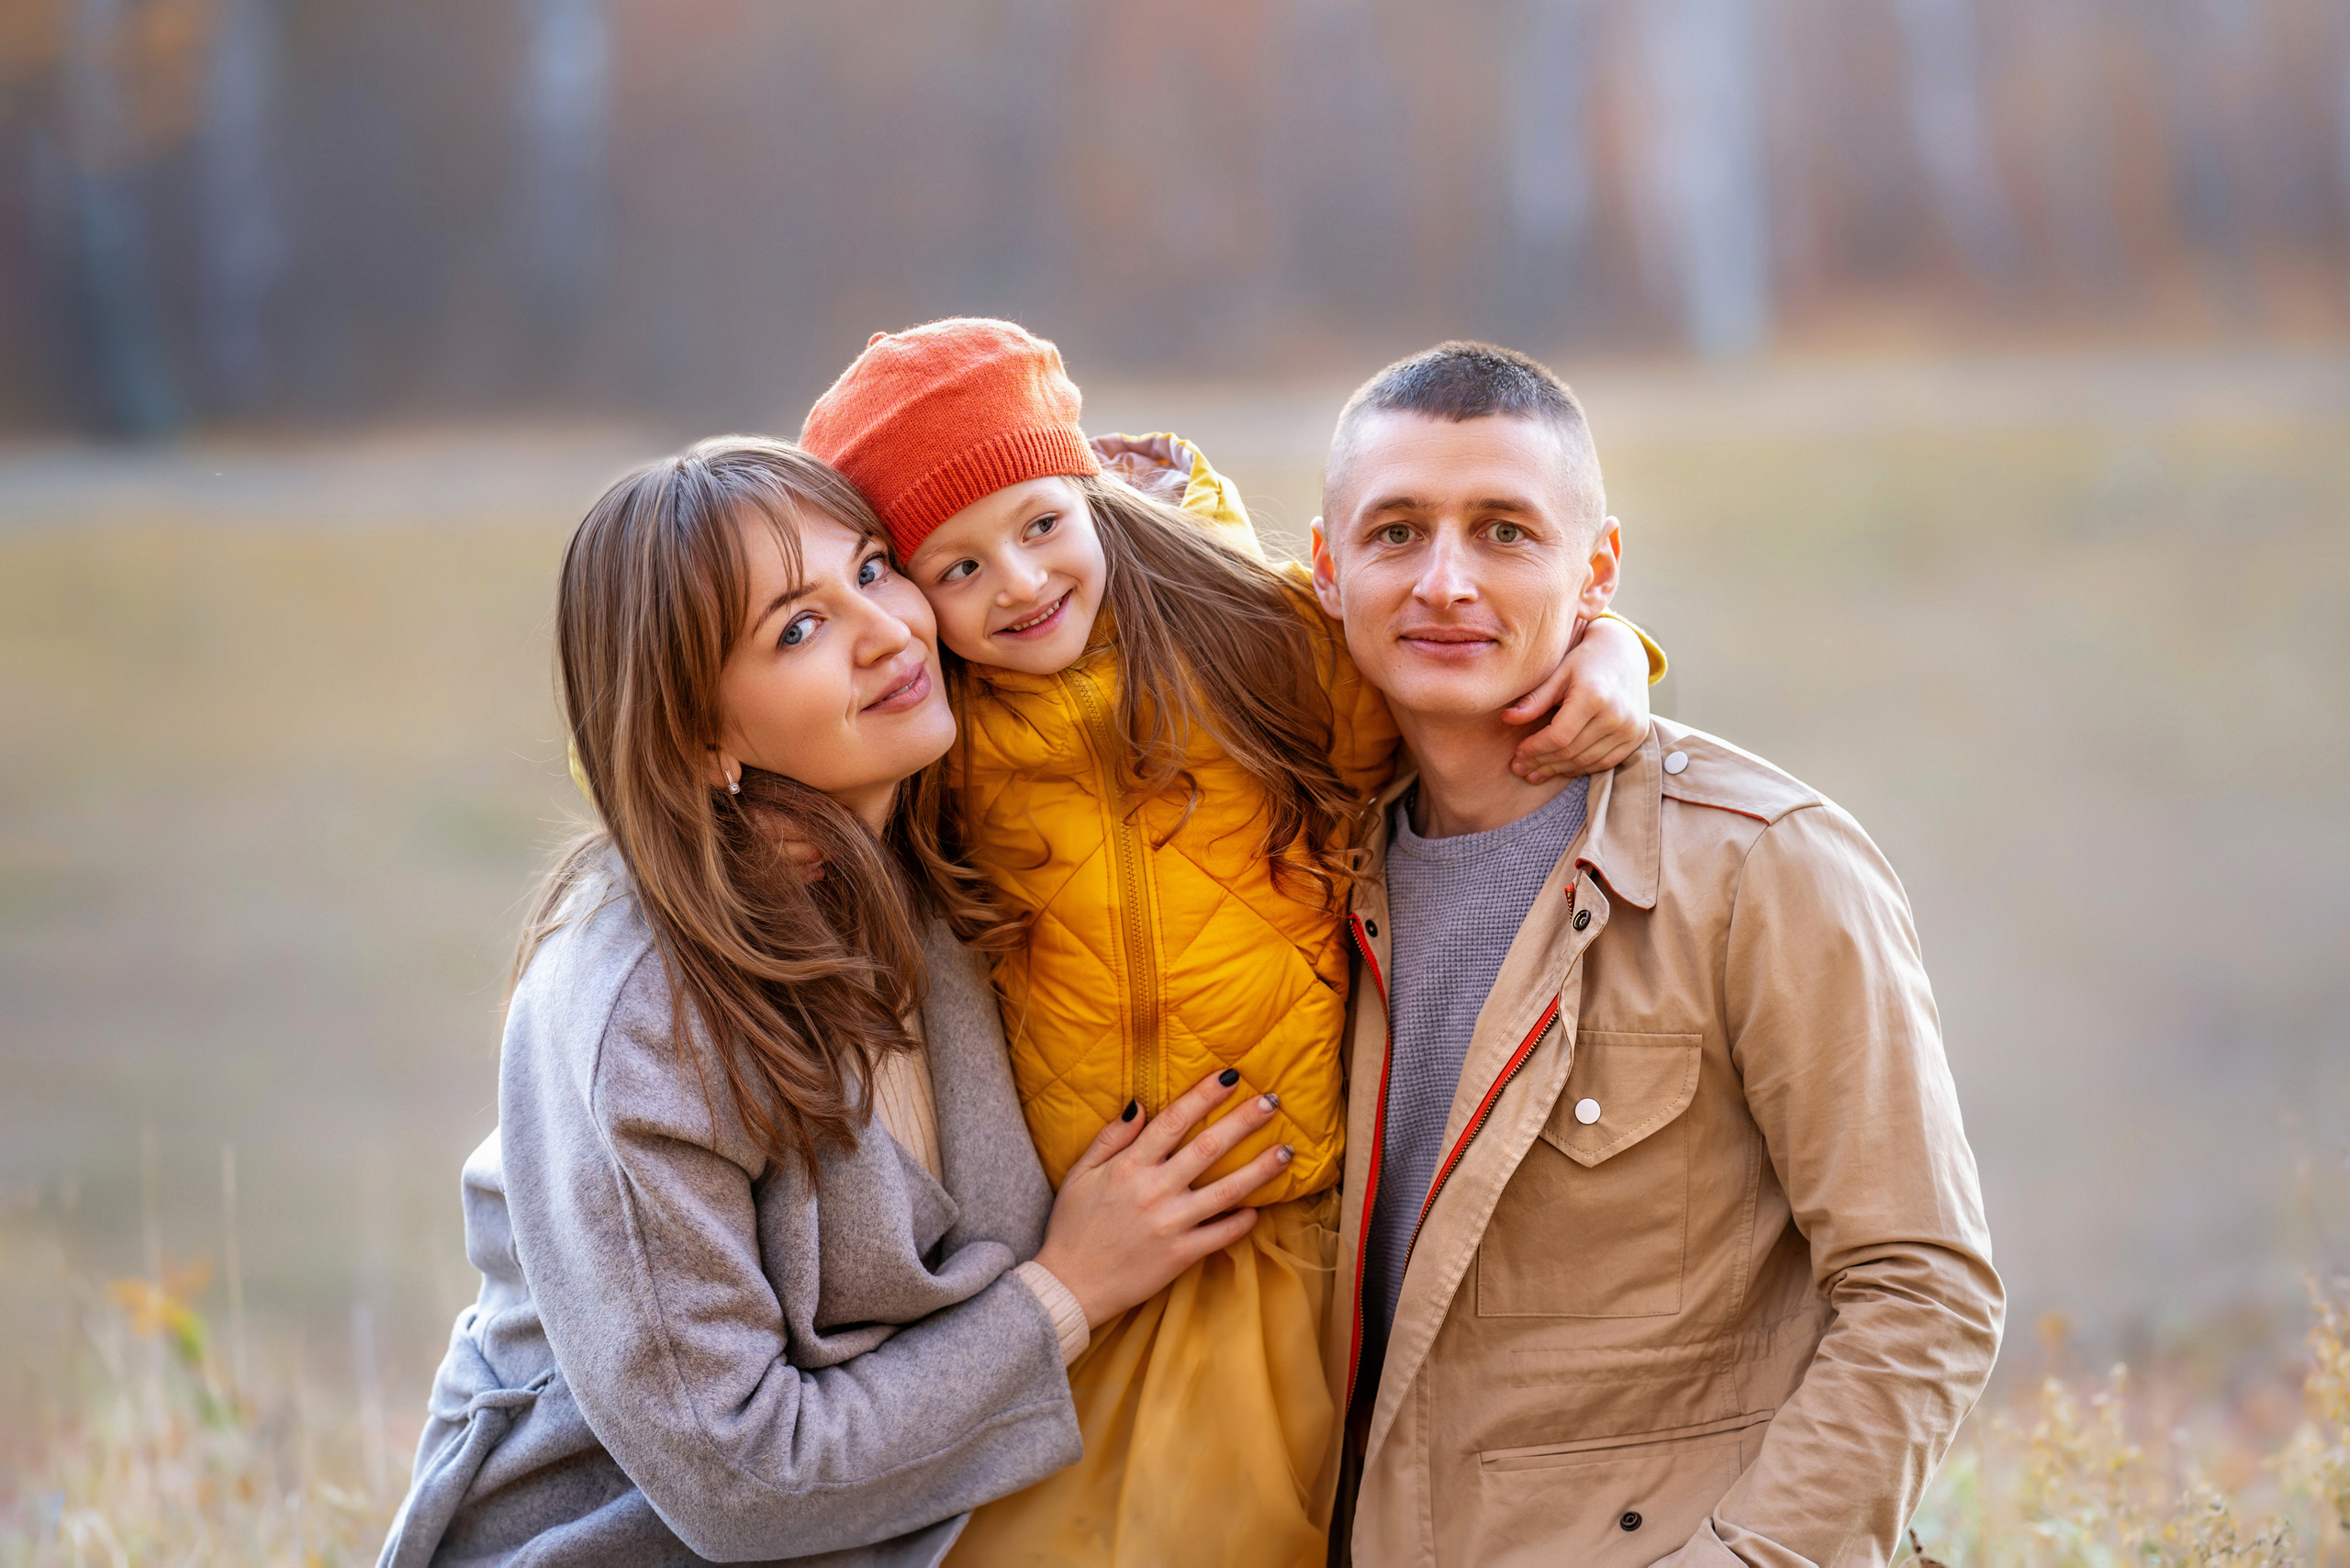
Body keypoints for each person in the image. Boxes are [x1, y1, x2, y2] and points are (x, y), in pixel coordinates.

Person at [796, 319, 1665, 1566]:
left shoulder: (1257, 641)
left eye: (1041, 525)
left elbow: (1457, 672)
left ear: (1090, 491)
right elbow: (742, 711)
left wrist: (1616, 651)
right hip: (1073, 1235)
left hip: (1272, 1217)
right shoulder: (945, 731)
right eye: (960, 567)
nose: (1021, 584)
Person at [376, 437, 1302, 1568]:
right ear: (698, 738)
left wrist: (1136, 499)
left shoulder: (928, 832)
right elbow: (741, 1480)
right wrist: (1068, 1289)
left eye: (872, 569)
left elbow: (1035, 558)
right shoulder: (639, 1015)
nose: (889, 630)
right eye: (798, 629)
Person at [1308, 342, 2005, 1566]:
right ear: (1325, 568)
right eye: (1398, 532)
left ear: (1599, 570)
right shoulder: (1302, 861)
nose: (1446, 581)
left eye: (1505, 531)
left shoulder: (1760, 866)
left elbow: (1922, 1293)